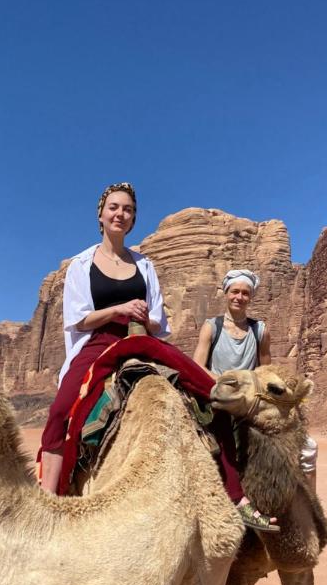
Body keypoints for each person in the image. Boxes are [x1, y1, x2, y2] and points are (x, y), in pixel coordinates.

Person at [39, 183, 278, 533]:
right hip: (99, 342)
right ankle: (46, 501)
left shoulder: (144, 265)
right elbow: (78, 318)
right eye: (114, 208)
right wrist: (118, 308)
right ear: (101, 214)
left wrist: (141, 317)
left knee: (211, 393)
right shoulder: (81, 264)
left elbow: (159, 323)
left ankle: (236, 497)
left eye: (128, 210)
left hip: (141, 339)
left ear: (133, 218)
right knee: (61, 411)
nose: (120, 214)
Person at [193, 268, 318, 490]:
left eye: (244, 293)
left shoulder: (259, 330)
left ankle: (309, 509)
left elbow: (266, 370)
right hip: (220, 398)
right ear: (226, 293)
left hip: (251, 404)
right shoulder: (212, 327)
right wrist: (226, 383)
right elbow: (197, 366)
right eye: (234, 292)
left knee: (308, 447)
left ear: (250, 297)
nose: (239, 297)